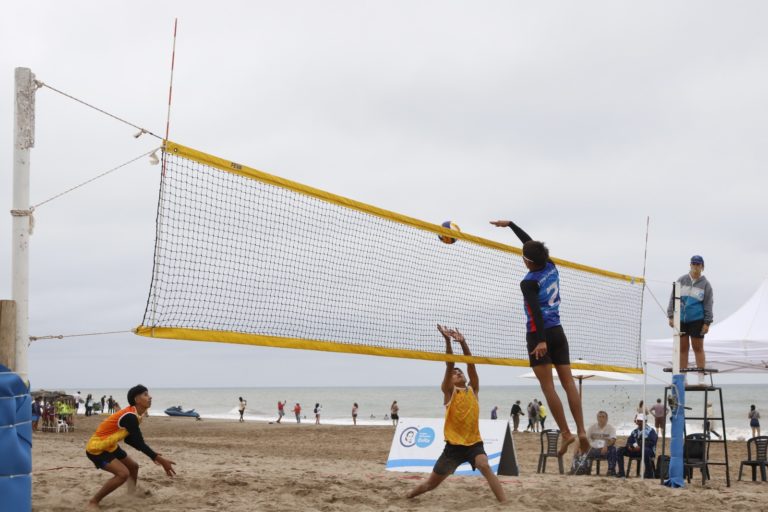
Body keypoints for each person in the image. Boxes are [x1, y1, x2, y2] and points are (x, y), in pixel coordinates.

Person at [491, 219, 590, 460]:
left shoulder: (528, 282)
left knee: (548, 387)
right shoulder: (551, 266)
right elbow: (531, 245)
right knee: (568, 383)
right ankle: (581, 429)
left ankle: (566, 433)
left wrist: (540, 341)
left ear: (528, 262)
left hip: (540, 335)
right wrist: (512, 225)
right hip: (558, 331)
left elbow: (535, 312)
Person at [406, 325, 506, 502]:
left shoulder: (473, 390)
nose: (457, 372)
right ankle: (408, 495)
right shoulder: (448, 392)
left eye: (459, 371)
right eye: (454, 373)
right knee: (430, 485)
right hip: (452, 448)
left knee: (484, 464)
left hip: (474, 443)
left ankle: (505, 503)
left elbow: (471, 365)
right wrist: (447, 341)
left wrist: (464, 343)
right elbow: (450, 363)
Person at [85, 385, 176, 508]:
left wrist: (154, 456)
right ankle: (94, 501)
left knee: (133, 467)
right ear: (137, 400)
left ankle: (130, 495)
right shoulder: (130, 417)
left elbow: (129, 440)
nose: (150, 397)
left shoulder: (136, 415)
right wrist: (159, 459)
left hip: (110, 446)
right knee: (123, 474)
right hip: (97, 449)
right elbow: (139, 442)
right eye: (145, 394)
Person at [667, 255, 714, 386]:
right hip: (681, 319)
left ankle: (701, 378)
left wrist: (707, 322)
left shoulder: (706, 284)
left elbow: (708, 304)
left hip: (697, 319)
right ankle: (683, 378)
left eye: (698, 264)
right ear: (690, 265)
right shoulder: (681, 280)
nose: (695, 266)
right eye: (693, 263)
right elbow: (672, 298)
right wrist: (671, 316)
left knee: (698, 347)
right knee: (683, 348)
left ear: (702, 267)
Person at [616, 414, 657, 479]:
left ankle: (649, 473)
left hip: (648, 451)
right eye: (638, 421)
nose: (639, 422)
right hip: (635, 450)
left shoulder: (651, 431)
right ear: (636, 422)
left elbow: (652, 443)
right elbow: (629, 441)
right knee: (620, 450)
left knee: (645, 450)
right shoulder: (634, 431)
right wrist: (629, 446)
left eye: (641, 421)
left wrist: (640, 447)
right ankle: (621, 473)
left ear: (645, 421)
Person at [583, 411, 617, 476]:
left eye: (603, 417)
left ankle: (611, 470)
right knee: (585, 451)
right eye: (599, 417)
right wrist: (588, 446)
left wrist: (606, 445)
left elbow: (613, 440)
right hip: (593, 449)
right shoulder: (592, 427)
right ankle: (586, 469)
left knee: (613, 449)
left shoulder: (611, 428)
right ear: (597, 418)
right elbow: (585, 438)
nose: (601, 418)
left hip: (605, 449)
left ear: (606, 419)